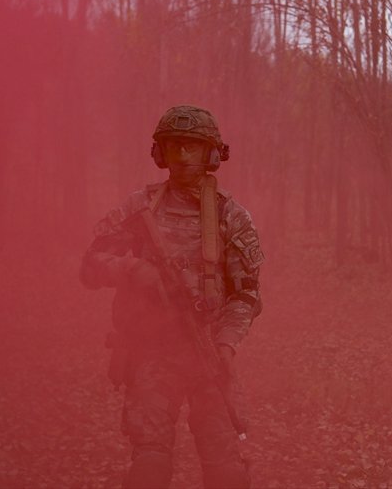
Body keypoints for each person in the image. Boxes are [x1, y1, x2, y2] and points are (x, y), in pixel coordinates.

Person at [81, 105, 265, 489]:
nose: (182, 155)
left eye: (192, 146)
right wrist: (133, 269)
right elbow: (91, 266)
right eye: (174, 145)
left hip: (207, 352)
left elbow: (246, 294)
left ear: (211, 153)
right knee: (150, 463)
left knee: (225, 469)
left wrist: (227, 344)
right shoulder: (141, 208)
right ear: (160, 152)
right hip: (151, 352)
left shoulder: (231, 217)